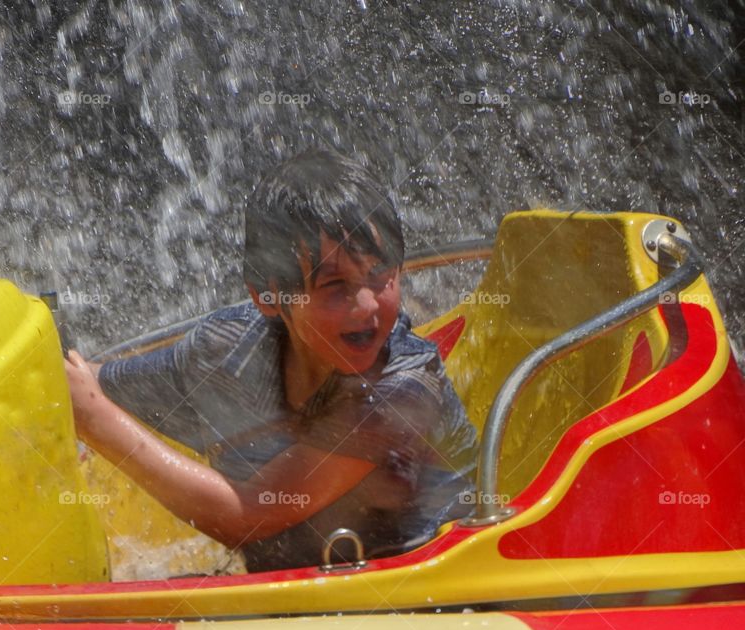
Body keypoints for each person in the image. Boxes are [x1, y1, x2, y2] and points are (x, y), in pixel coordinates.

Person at [65, 148, 477, 572]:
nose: (367, 305)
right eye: (335, 285)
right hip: (298, 597)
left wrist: (94, 421)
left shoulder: (404, 387)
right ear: (268, 296)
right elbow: (91, 385)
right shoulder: (225, 352)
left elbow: (247, 517)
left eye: (379, 273)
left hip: (433, 598)